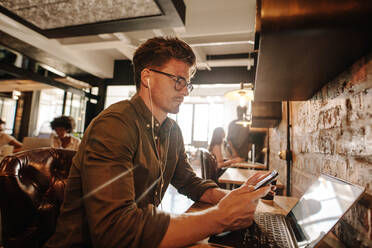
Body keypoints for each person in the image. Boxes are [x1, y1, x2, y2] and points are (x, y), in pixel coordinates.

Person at [45, 37, 271, 248]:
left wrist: (232, 197)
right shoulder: (114, 125)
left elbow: (188, 181)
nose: (185, 92)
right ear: (147, 77)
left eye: (187, 83)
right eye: (178, 81)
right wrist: (221, 217)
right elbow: (114, 230)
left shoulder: (171, 131)